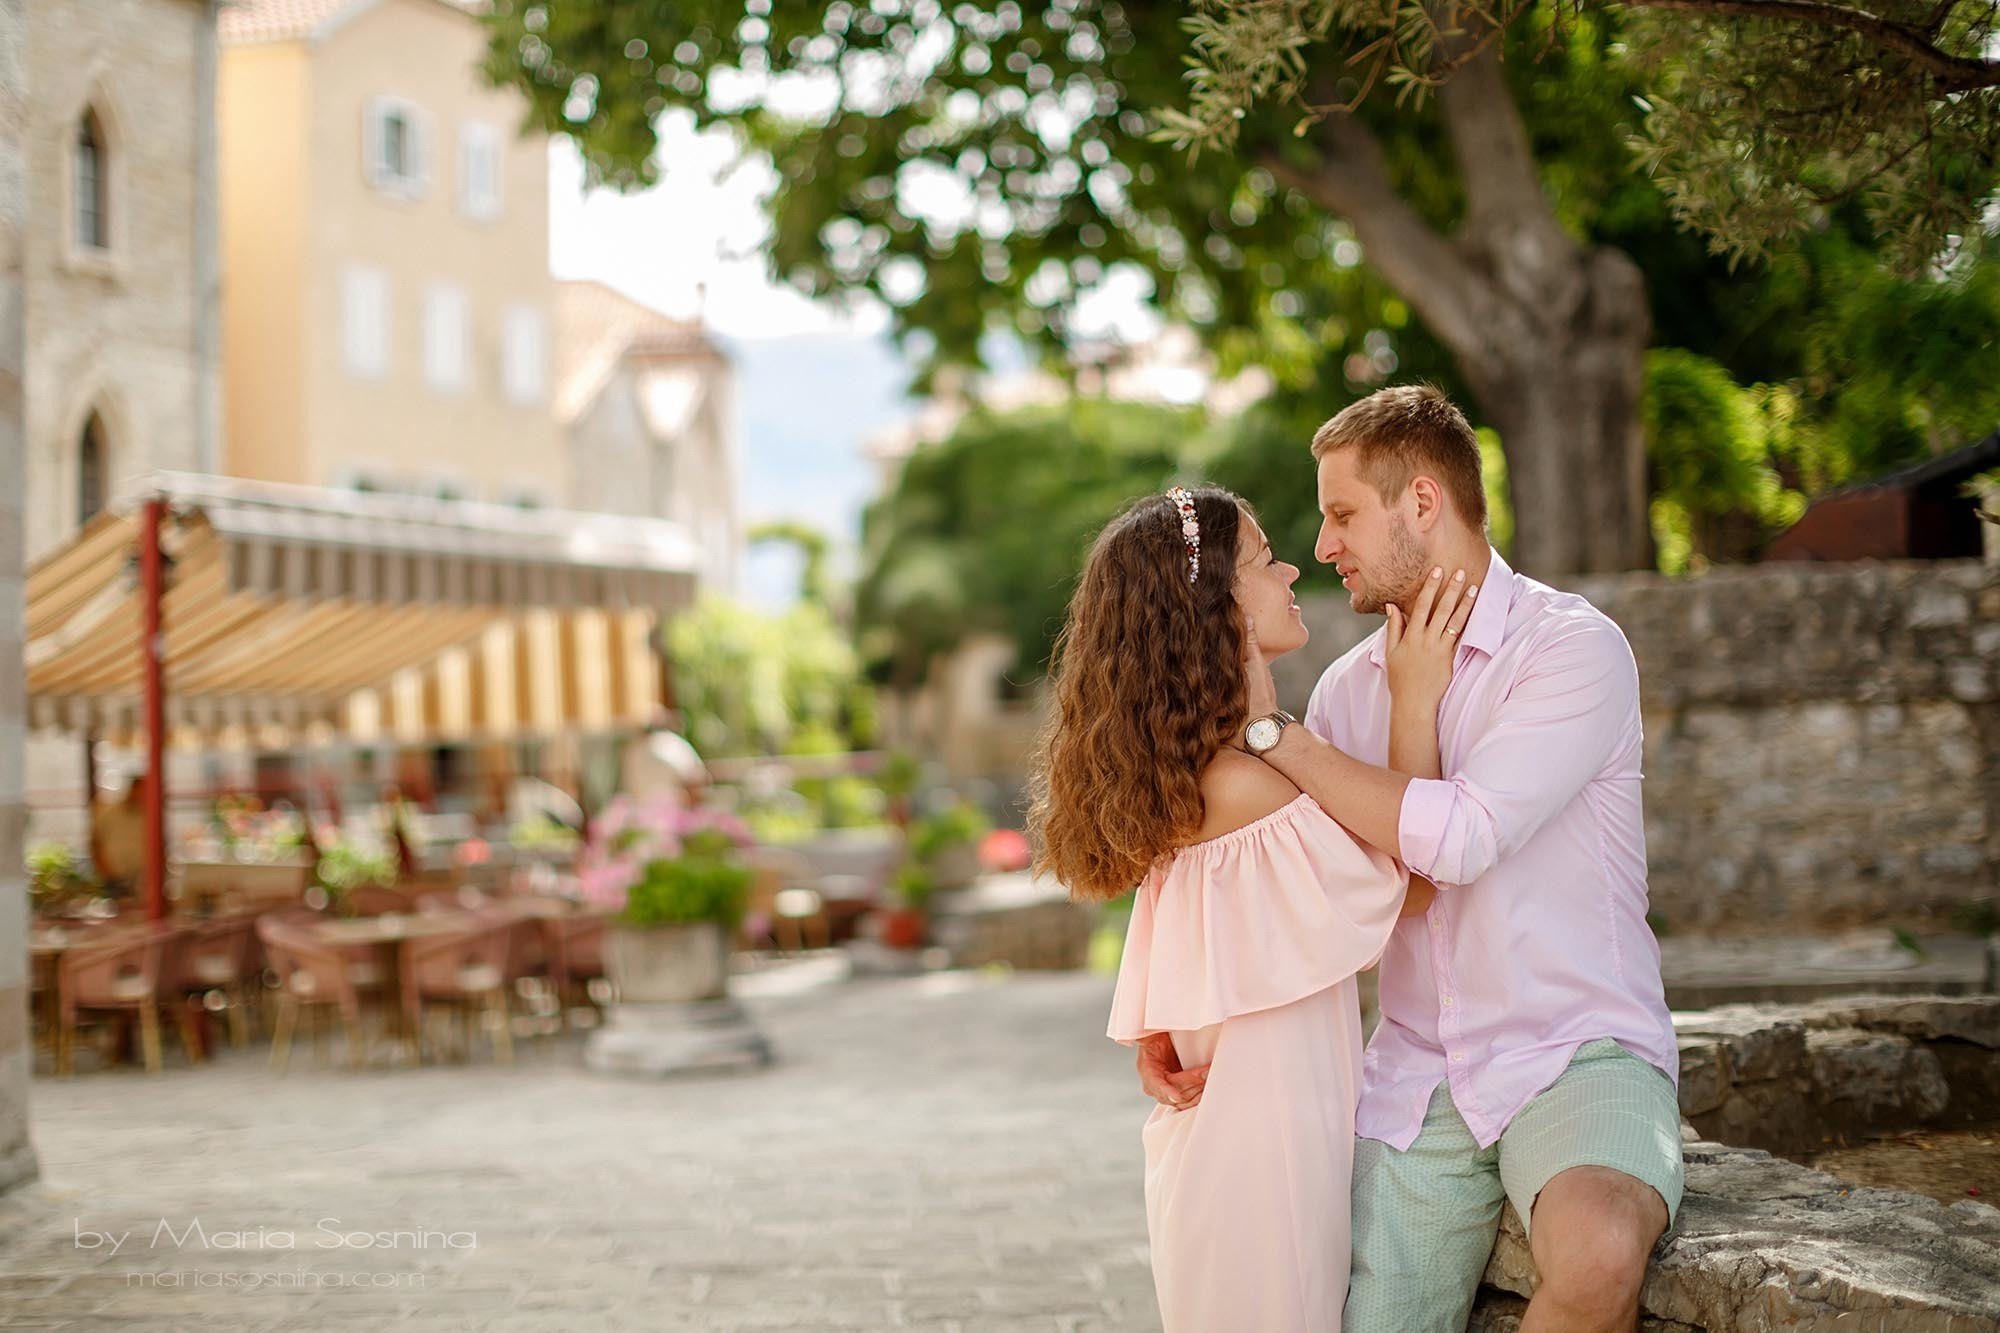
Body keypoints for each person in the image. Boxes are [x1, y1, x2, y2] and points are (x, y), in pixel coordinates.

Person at [1135, 385, 1684, 1332]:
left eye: (1343, 513)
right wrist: (1181, 1013)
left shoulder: (1571, 651)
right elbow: (1329, 884)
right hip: (1415, 1074)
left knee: (1597, 1249)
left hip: (1575, 1046)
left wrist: (1278, 732)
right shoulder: (1352, 690)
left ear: (1422, 503)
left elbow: (1459, 839)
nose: (1324, 544)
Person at [1027, 484, 1467, 1331]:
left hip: (1237, 1147)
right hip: (1265, 1162)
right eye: (1266, 561)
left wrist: (1166, 1029)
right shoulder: (1241, 789)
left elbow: (1197, 953)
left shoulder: (1204, 777)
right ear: (1217, 605)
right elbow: (1412, 877)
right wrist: (1417, 698)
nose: (1294, 566)